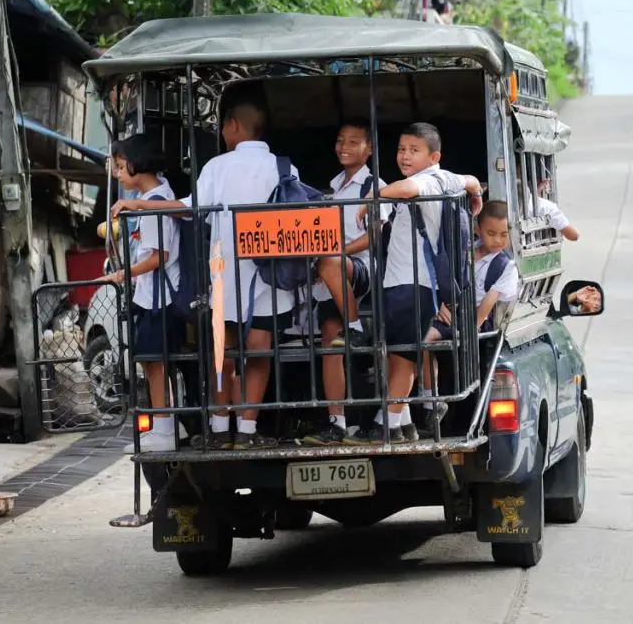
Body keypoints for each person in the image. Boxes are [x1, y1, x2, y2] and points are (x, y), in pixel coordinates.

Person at [112, 95, 293, 450]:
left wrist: (138, 205)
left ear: (233, 127)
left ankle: (218, 426)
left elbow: (187, 210)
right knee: (259, 351)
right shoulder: (285, 168)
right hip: (272, 274)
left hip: (226, 272)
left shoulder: (218, 167)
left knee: (222, 352)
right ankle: (248, 429)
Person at [346, 122, 483, 445]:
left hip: (413, 283)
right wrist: (475, 194)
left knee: (405, 357)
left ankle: (387, 425)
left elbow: (408, 190)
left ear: (433, 155)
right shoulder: (447, 178)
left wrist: (374, 195)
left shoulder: (430, 180)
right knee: (396, 354)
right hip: (404, 282)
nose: (405, 156)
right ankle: (402, 424)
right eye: (401, 149)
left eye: (414, 150)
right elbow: (472, 180)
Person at [303, 119, 392, 446]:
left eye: (353, 142)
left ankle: (354, 327)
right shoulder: (333, 185)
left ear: (368, 149)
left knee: (328, 261)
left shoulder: (374, 185)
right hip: (332, 273)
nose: (344, 147)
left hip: (362, 269)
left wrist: (334, 252)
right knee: (329, 345)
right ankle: (337, 421)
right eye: (340, 140)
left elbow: (375, 236)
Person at [100, 134, 185, 453]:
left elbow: (158, 256)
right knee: (153, 364)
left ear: (137, 166)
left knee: (155, 364)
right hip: (152, 295)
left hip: (158, 297)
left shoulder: (154, 203)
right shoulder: (158, 195)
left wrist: (122, 274)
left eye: (121, 168)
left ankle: (164, 430)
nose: (118, 175)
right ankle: (165, 426)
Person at [419, 200, 518, 435]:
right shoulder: (463, 253)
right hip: (448, 312)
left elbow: (489, 301)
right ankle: (430, 400)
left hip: (472, 321)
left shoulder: (506, 266)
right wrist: (437, 306)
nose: (497, 240)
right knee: (422, 339)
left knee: (438, 346)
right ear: (477, 230)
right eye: (491, 233)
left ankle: (438, 405)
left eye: (504, 235)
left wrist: (470, 330)